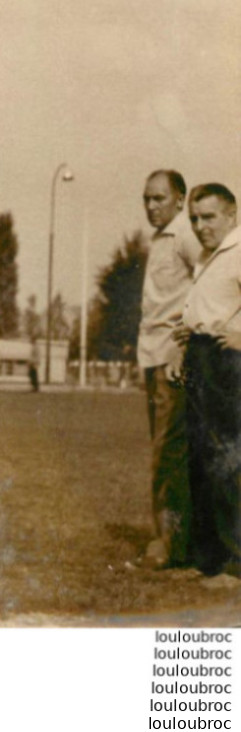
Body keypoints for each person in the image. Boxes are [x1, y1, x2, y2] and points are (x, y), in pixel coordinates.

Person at [174, 183, 241, 581]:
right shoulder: (207, 256)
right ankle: (207, 561)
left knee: (226, 460)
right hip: (200, 357)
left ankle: (234, 564)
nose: (200, 226)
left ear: (232, 215)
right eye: (195, 219)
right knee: (198, 458)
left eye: (209, 217)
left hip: (228, 363)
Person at [135, 169, 200, 570]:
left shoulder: (187, 237)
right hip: (151, 355)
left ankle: (169, 542)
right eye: (146, 198)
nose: (151, 206)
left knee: (168, 453)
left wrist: (187, 337)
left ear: (180, 199)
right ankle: (176, 537)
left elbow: (209, 279)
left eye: (159, 198)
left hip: (173, 359)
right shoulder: (160, 240)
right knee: (166, 450)